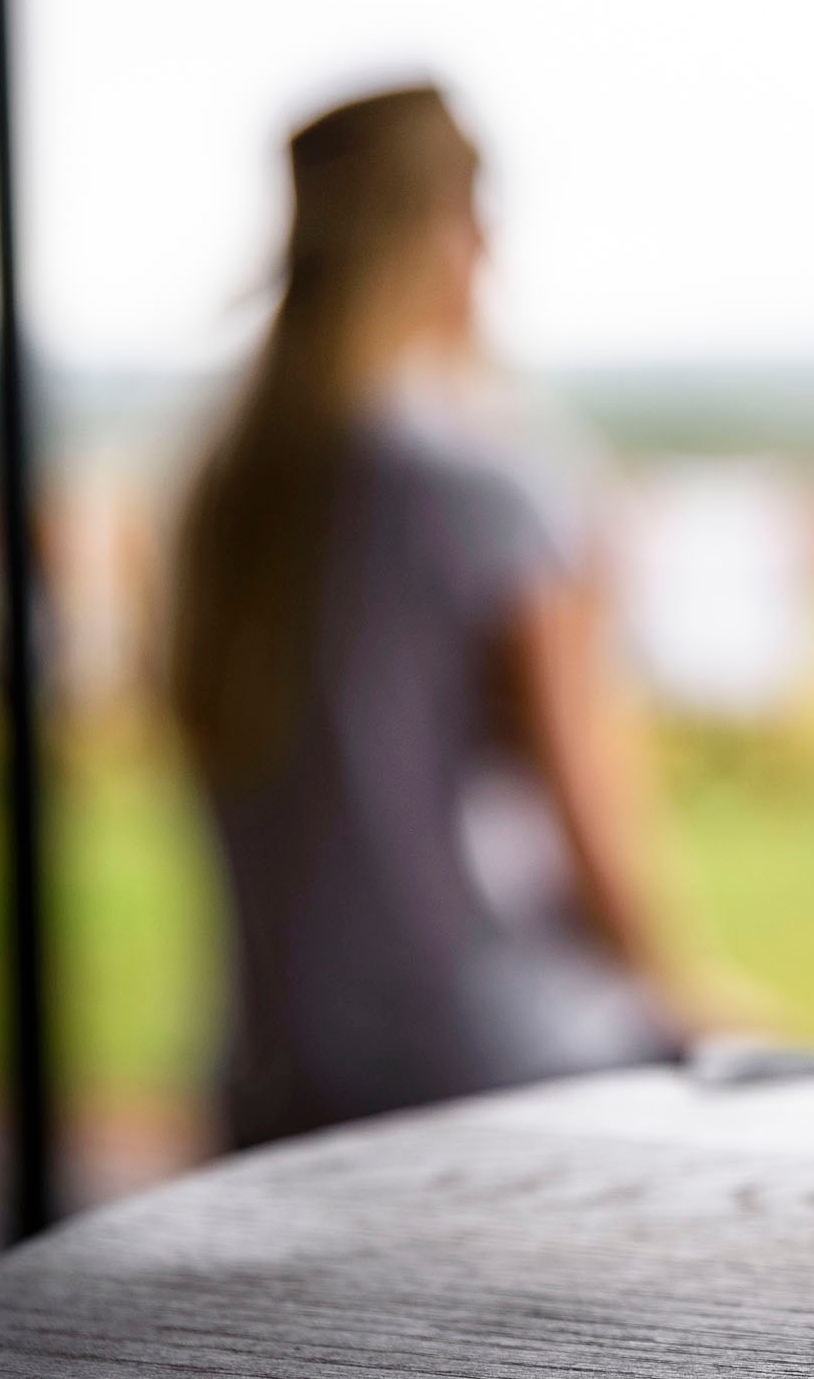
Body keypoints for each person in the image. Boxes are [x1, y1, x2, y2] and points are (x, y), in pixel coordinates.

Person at [170, 85, 677, 1149]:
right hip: (481, 1070)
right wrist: (685, 1001)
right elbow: (589, 825)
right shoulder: (486, 482)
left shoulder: (222, 490)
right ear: (449, 227)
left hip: (272, 1086)